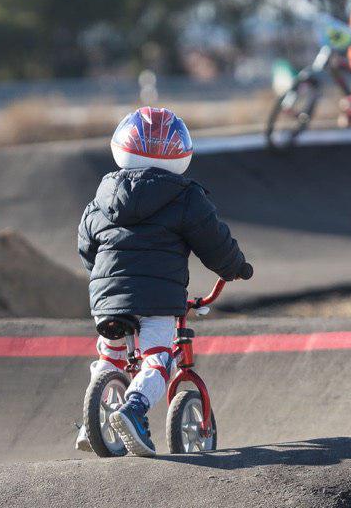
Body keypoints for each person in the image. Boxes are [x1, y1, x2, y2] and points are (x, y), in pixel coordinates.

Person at [76, 107, 252, 457]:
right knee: (159, 359)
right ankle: (134, 409)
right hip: (157, 298)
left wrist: (104, 278)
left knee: (111, 354)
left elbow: (86, 246)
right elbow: (214, 243)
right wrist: (234, 268)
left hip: (106, 297)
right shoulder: (186, 198)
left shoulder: (102, 195)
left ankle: (91, 420)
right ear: (179, 153)